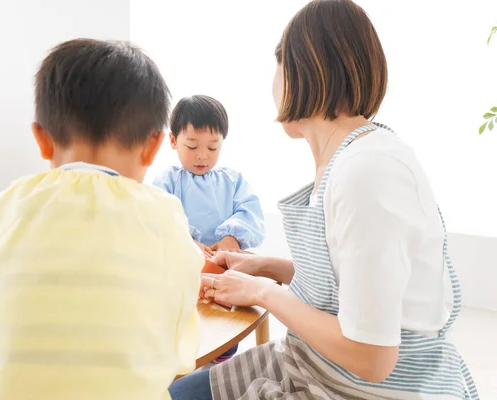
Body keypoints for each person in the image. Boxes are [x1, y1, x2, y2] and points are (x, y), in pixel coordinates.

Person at [169, 1, 479, 399]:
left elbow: (372, 356)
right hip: (313, 362)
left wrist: (264, 292)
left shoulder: (367, 172)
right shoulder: (350, 158)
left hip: (357, 388)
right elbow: (352, 284)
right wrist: (268, 268)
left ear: (302, 72)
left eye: (278, 64)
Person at [0, 39, 204, 400]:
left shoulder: (2, 207)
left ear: (42, 139)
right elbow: (181, 349)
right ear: (153, 147)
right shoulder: (164, 215)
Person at [153, 95, 265, 257]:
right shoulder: (168, 180)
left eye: (212, 147)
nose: (202, 156)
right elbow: (158, 216)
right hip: (180, 260)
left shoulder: (233, 181)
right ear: (173, 140)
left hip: (225, 262)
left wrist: (231, 238)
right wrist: (185, 241)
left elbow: (251, 212)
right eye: (192, 147)